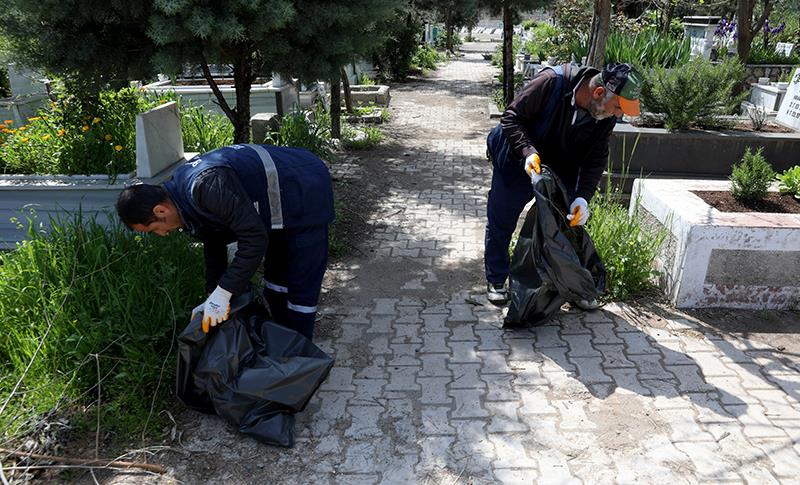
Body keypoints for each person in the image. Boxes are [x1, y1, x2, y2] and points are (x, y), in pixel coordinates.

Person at [116, 143, 334, 340]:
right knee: (275, 282)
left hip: (305, 188)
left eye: (155, 229)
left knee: (300, 287)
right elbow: (213, 239)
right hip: (276, 208)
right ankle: (282, 345)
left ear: (160, 210)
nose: (162, 234)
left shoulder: (206, 186)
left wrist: (224, 292)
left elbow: (254, 239)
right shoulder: (181, 196)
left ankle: (300, 357)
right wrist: (214, 294)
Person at [484, 62, 642, 307]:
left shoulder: (604, 115)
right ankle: (496, 279)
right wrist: (527, 152)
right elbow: (511, 118)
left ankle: (573, 287)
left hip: (559, 163)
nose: (618, 114)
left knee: (565, 224)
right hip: (517, 158)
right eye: (618, 107)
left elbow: (595, 159)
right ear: (599, 93)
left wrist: (582, 198)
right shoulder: (551, 82)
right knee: (501, 220)